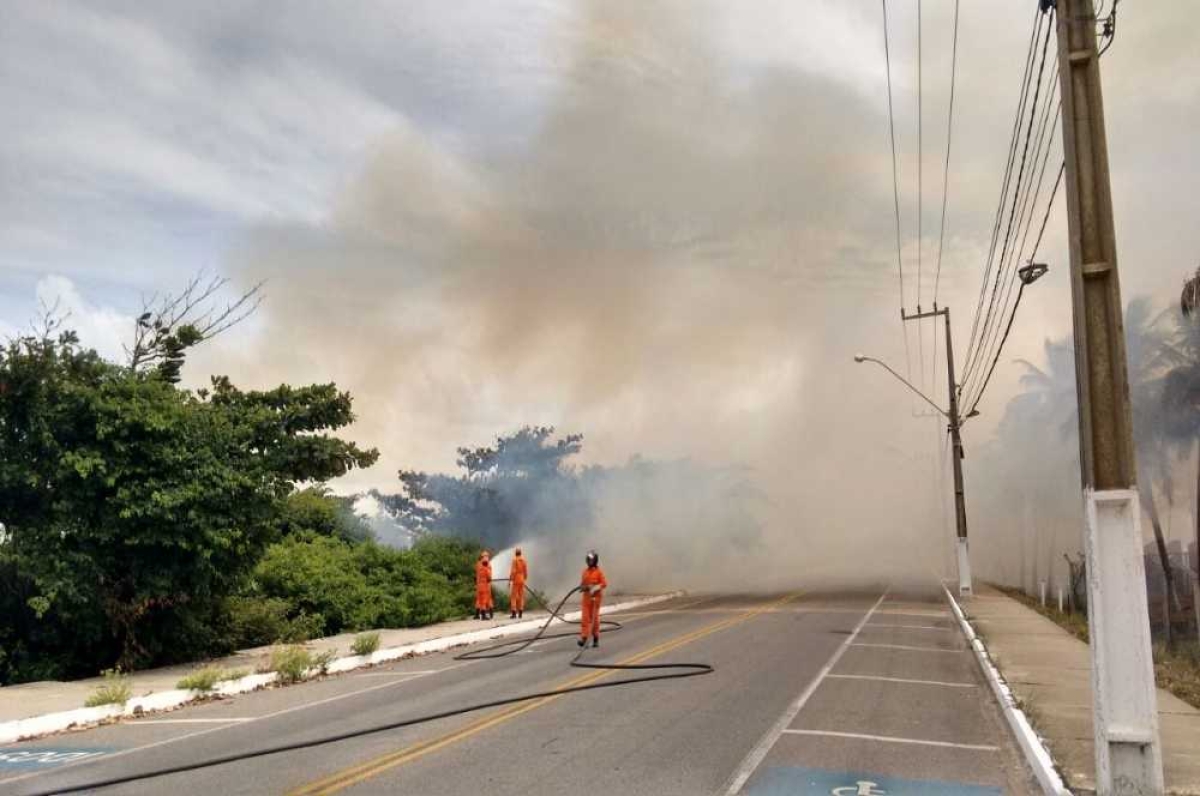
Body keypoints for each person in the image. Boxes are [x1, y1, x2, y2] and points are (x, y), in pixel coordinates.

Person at [578, 549, 607, 648]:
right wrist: (582, 588)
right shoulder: (584, 572)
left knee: (594, 620)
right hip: (586, 600)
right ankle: (584, 638)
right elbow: (582, 584)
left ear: (595, 561)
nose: (589, 562)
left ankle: (595, 638)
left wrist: (595, 588)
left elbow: (604, 583)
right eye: (588, 560)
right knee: (585, 619)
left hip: (595, 600)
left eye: (591, 560)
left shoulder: (599, 572)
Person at [509, 547, 528, 619]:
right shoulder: (524, 560)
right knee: (521, 596)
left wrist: (510, 579)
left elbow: (513, 571)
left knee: (513, 596)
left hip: (516, 579)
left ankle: (514, 613)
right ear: (521, 553)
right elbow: (526, 571)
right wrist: (524, 578)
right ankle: (520, 613)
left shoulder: (514, 560)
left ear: (515, 553)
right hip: (522, 579)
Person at [474, 550, 493, 620]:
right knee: (486, 600)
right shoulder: (488, 566)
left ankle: (478, 614)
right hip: (486, 585)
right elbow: (489, 577)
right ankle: (486, 615)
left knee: (480, 600)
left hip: (479, 585)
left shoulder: (478, 565)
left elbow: (476, 575)